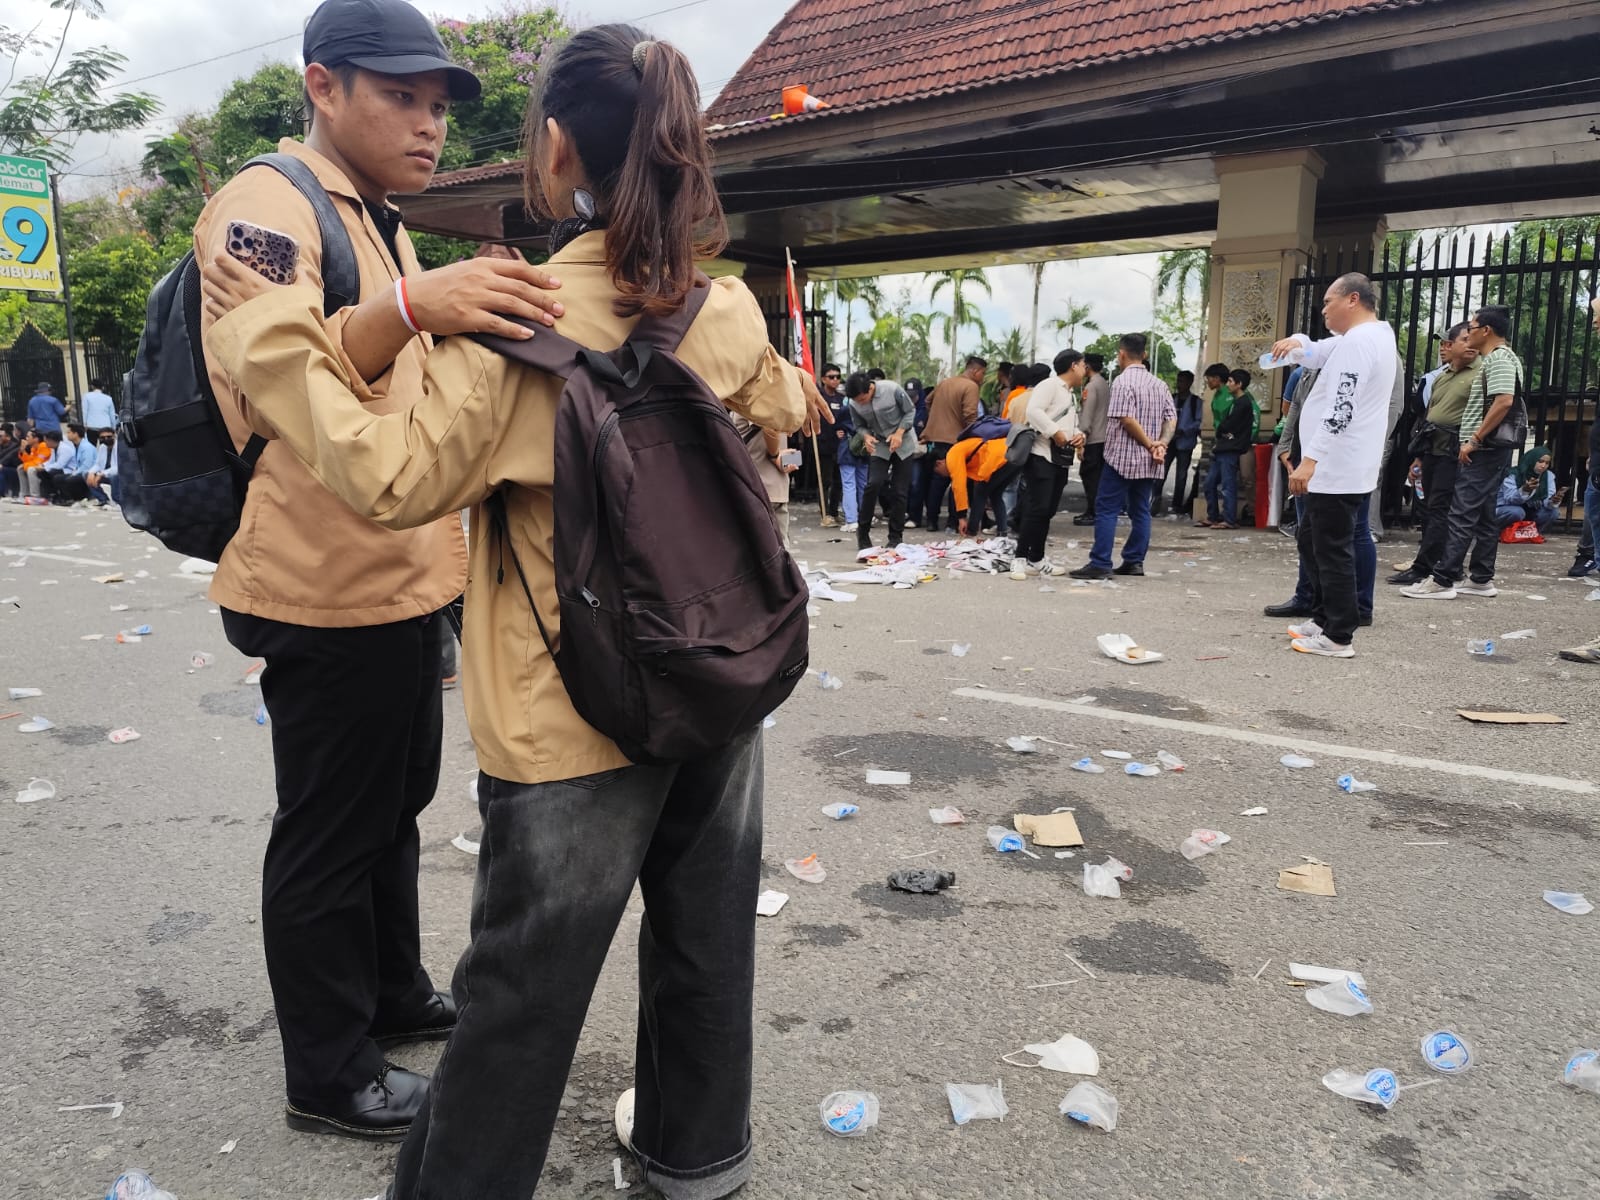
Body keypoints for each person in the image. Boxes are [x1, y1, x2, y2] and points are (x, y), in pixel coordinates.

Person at [202, 22, 820, 1198]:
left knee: (523, 997)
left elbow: (391, 477)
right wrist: (784, 399)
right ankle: (694, 1169)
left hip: (567, 708)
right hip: (723, 677)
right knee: (704, 948)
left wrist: (265, 333)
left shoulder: (509, 321)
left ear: (550, 154)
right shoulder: (726, 310)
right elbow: (779, 399)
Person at [192, 0, 586, 1142]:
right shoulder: (265, 206)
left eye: (436, 105)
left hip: (406, 571)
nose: (427, 126)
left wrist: (454, 308)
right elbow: (281, 371)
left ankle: (391, 990)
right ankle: (326, 1070)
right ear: (323, 85)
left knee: (394, 808)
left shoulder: (383, 219)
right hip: (317, 580)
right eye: (399, 97)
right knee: (327, 829)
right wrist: (416, 305)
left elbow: (405, 385)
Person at [1267, 272, 1398, 657]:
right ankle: (1324, 617)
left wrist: (1310, 460)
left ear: (1353, 299)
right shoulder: (1368, 337)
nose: (1323, 310)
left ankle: (1338, 635)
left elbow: (1341, 409)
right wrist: (1298, 344)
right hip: (1342, 463)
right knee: (1312, 539)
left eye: (1328, 302)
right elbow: (1321, 350)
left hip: (1337, 465)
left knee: (1332, 548)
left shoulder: (1360, 342)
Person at [1403, 305, 1524, 601]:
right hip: (1488, 449)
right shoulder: (1497, 359)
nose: (1467, 332)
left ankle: (1443, 579)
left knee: (1461, 511)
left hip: (1485, 448)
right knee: (1483, 513)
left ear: (1486, 331)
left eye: (1471, 327)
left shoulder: (1499, 359)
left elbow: (1504, 401)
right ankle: (1481, 578)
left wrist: (1474, 439)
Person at [1069, 334, 1175, 579]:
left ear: (1122, 354)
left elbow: (1126, 419)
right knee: (1140, 510)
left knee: (1106, 508)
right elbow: (1171, 418)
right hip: (1149, 461)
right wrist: (1161, 444)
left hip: (1122, 458)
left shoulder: (1121, 382)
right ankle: (1134, 560)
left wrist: (1150, 444)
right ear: (1145, 355)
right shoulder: (1159, 384)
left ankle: (1100, 562)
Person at [1387, 324, 1480, 584]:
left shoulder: (1481, 373)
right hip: (1433, 450)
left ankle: (1428, 566)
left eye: (1465, 339)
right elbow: (1428, 418)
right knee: (1431, 509)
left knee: (1444, 511)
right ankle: (1437, 563)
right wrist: (1418, 457)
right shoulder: (1442, 376)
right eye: (1459, 340)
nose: (1449, 347)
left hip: (1456, 452)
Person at [1011, 348, 1086, 576]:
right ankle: (1020, 558)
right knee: (1037, 508)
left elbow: (1069, 423)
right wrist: (1055, 432)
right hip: (1041, 455)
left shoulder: (1069, 393)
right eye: (1082, 365)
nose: (1085, 370)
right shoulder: (1050, 385)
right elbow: (1034, 411)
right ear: (1073, 365)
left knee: (1047, 511)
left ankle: (1037, 558)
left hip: (1059, 460)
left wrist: (1079, 434)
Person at [847, 370, 918, 550]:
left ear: (870, 388)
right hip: (880, 444)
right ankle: (862, 533)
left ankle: (895, 537)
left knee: (899, 491)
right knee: (873, 484)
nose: (861, 403)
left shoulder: (892, 389)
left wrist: (899, 433)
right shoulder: (854, 403)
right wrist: (866, 436)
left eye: (863, 399)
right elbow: (859, 425)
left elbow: (910, 411)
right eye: (857, 402)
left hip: (904, 443)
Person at [919, 356, 986, 531]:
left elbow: (927, 400)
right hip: (955, 440)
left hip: (934, 439)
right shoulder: (971, 386)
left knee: (937, 482)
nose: (983, 378)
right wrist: (975, 438)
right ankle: (953, 522)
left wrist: (936, 419)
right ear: (975, 371)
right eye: (983, 373)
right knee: (958, 480)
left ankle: (932, 521)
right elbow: (971, 415)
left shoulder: (945, 383)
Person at [1199, 368, 1254, 528]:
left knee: (1228, 484)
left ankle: (1229, 519)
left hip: (1231, 448)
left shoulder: (1244, 403)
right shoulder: (1235, 402)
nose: (1228, 385)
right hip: (1222, 447)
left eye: (1231, 382)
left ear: (1239, 384)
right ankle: (1213, 516)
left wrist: (1224, 430)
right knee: (1210, 483)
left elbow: (1229, 425)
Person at [735, 414, 797, 548]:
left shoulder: (751, 397)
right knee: (778, 550)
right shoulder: (778, 400)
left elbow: (769, 427)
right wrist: (779, 457)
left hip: (759, 486)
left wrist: (776, 456)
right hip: (771, 487)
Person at [1154, 370, 1201, 517]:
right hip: (1169, 441)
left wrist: (1184, 430)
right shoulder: (1171, 399)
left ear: (1190, 383)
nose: (1179, 384)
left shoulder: (1195, 402)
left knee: (1181, 475)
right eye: (1178, 381)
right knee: (1161, 472)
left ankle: (1177, 505)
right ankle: (1154, 502)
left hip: (1184, 442)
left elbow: (1199, 422)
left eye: (1182, 381)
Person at [1073, 352, 1110, 525]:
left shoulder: (1091, 387)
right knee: (1099, 477)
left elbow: (1086, 417)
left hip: (1093, 439)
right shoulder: (1104, 384)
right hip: (1104, 438)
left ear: (1087, 366)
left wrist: (1082, 440)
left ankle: (1092, 512)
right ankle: (1097, 511)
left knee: (1089, 476)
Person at [1495, 446, 1562, 534]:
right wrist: (1525, 490)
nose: (1543, 466)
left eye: (1547, 463)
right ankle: (1499, 532)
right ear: (1532, 460)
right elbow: (1510, 498)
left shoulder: (1548, 476)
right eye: (1540, 461)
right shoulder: (1514, 474)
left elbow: (1547, 502)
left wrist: (1553, 501)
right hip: (1507, 508)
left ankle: (1533, 534)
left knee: (1553, 512)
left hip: (1532, 510)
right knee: (1517, 512)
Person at [815, 364, 845, 527]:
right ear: (823, 379)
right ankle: (824, 514)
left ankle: (834, 511)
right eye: (831, 377)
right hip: (823, 444)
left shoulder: (841, 399)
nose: (835, 380)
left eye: (838, 377)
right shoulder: (818, 398)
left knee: (838, 481)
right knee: (824, 480)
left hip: (839, 447)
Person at [0, 425, 19, 499]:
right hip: (3, 467)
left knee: (2, 470)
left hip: (13, 469)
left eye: (1, 436)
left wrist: (1, 464)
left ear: (8, 437)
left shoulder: (15, 446)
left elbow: (9, 458)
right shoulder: (1, 446)